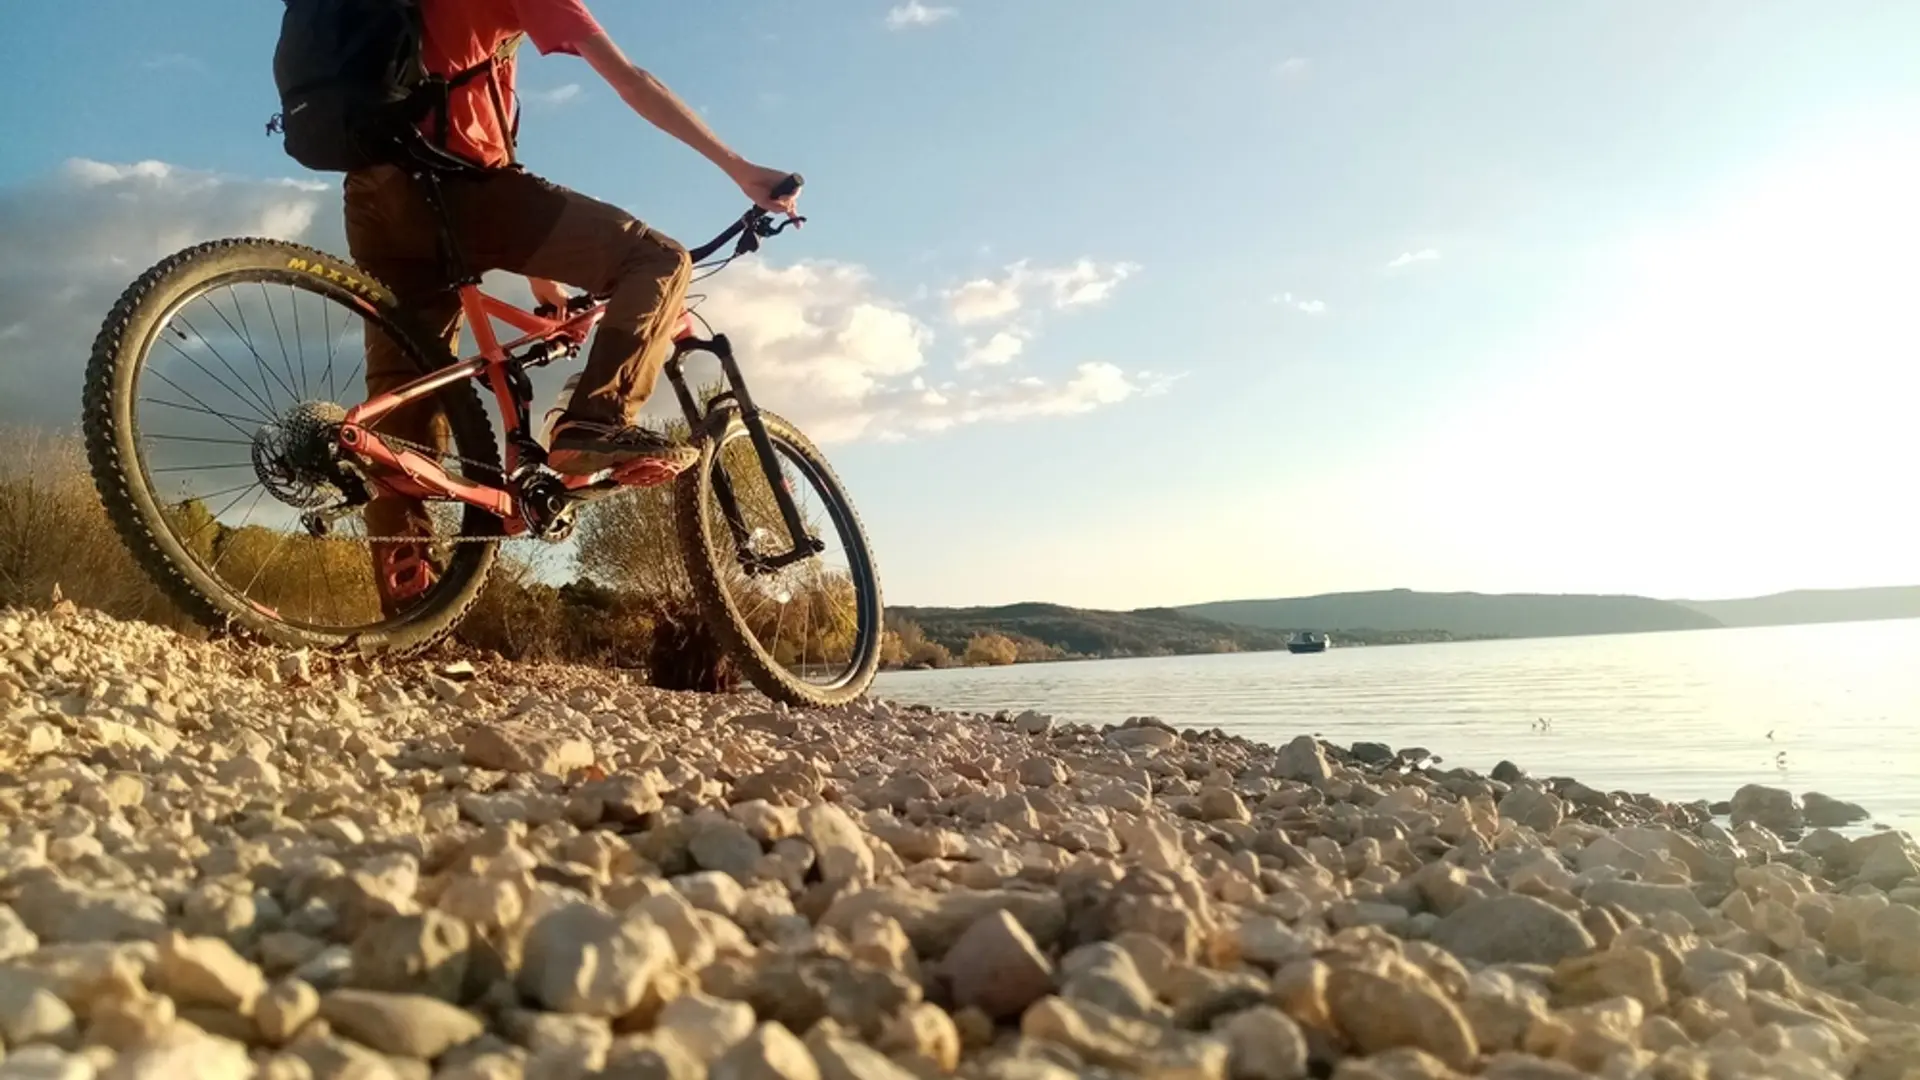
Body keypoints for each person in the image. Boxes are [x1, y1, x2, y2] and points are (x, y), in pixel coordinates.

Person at [345, 0, 799, 612]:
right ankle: (593, 422)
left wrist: (539, 281)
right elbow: (633, 81)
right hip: (456, 190)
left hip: (374, 199)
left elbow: (471, 125)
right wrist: (741, 168)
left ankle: (409, 611)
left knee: (411, 401)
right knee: (658, 260)